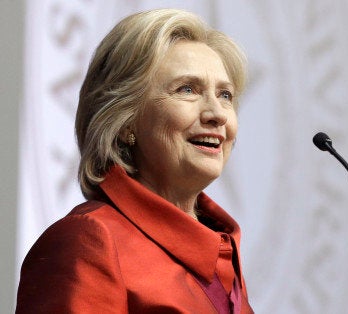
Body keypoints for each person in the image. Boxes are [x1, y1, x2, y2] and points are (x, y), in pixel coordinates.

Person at [16, 9, 254, 313]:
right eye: (187, 89)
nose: (217, 114)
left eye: (225, 95)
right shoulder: (89, 242)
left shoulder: (222, 253)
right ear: (126, 120)